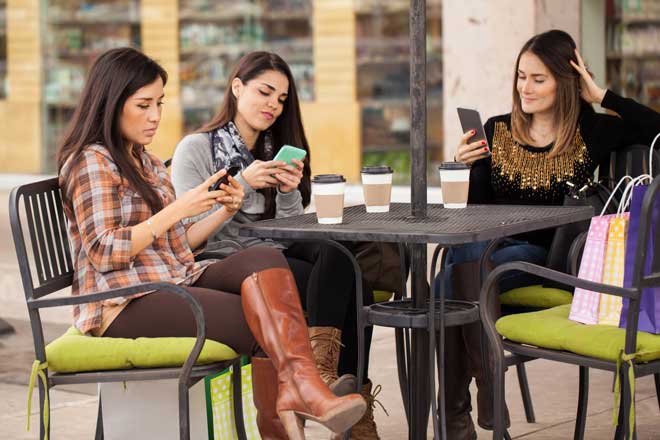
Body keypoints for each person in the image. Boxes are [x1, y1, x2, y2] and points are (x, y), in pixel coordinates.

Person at [55, 47, 365, 439]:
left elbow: (177, 245)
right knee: (261, 321)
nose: (155, 116)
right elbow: (103, 251)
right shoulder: (91, 162)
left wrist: (222, 208)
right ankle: (297, 404)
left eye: (160, 104)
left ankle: (301, 395)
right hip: (120, 302)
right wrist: (179, 207)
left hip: (170, 278)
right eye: (143, 105)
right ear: (111, 103)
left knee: (264, 258)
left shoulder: (145, 162)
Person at [442, 29, 660, 439]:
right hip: (487, 251)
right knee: (450, 275)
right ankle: (477, 397)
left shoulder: (594, 130)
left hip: (548, 258)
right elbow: (470, 214)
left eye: (538, 78)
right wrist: (461, 167)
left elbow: (658, 128)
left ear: (567, 80)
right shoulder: (495, 129)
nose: (525, 87)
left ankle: (458, 410)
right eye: (521, 76)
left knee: (447, 281)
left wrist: (603, 98)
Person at [170, 51, 382, 439]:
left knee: (340, 260)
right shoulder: (195, 148)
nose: (273, 105)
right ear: (237, 87)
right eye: (265, 92)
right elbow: (188, 232)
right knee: (349, 285)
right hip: (223, 262)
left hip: (273, 254)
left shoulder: (275, 149)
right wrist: (246, 182)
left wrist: (287, 191)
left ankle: (331, 383)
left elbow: (287, 232)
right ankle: (344, 410)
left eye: (282, 99)